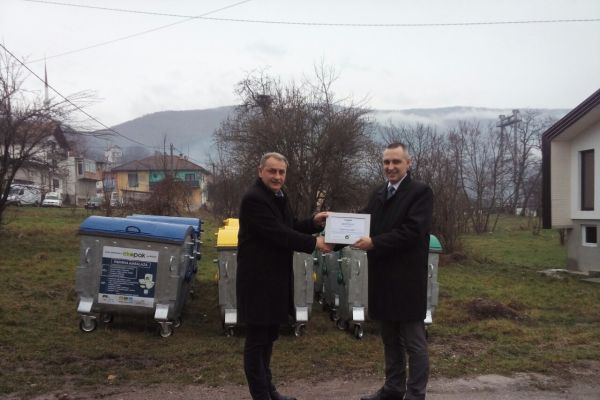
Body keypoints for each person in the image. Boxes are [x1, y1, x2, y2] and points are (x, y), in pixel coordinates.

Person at [237, 152, 332, 400]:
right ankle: (262, 396)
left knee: (269, 338)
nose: (277, 176)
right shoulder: (254, 199)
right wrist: (314, 243)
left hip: (276, 280)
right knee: (257, 342)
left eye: (281, 172)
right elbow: (278, 234)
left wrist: (313, 222)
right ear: (260, 171)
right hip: (257, 282)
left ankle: (269, 391)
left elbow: (289, 225)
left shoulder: (279, 195)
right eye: (272, 171)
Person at [353, 143, 433, 400]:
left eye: (396, 162)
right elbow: (362, 223)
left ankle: (415, 394)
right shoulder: (379, 193)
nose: (390, 167)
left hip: (407, 280)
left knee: (414, 343)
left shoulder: (420, 192)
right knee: (390, 339)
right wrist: (334, 227)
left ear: (408, 163)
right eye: (386, 162)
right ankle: (393, 389)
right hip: (382, 278)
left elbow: (412, 231)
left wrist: (375, 243)